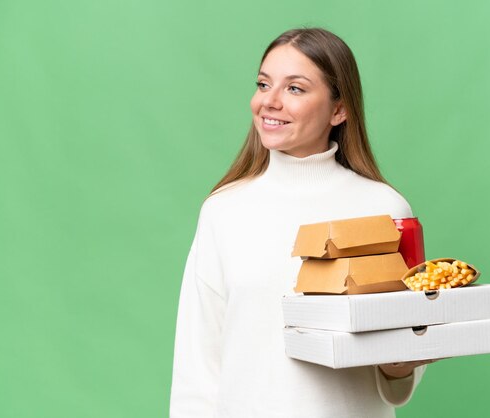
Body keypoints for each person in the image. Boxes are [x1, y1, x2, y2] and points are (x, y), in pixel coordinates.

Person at [170, 28, 436, 418]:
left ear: (339, 109)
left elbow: (401, 363)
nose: (269, 102)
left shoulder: (386, 208)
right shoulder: (223, 210)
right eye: (264, 84)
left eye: (295, 89)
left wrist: (404, 362)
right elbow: (198, 360)